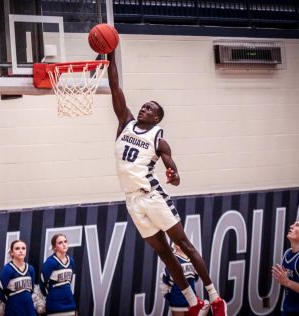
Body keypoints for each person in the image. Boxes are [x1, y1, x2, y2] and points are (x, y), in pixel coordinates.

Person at [107, 50, 227, 316]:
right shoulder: (125, 123)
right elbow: (115, 86)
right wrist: (110, 53)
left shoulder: (159, 140)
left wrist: (173, 177)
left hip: (152, 195)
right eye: (144, 105)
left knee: (183, 245)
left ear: (156, 118)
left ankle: (215, 299)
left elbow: (175, 174)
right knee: (163, 254)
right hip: (132, 200)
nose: (143, 108)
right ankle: (194, 303)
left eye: (150, 108)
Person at [161, 243, 210, 316]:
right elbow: (166, 279)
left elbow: (195, 277)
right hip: (177, 300)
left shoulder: (191, 259)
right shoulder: (173, 259)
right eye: (176, 242)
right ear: (174, 245)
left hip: (191, 299)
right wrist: (169, 296)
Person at [0, 240, 37, 316]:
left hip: (29, 308)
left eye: (23, 248)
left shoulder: (31, 269)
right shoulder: (7, 269)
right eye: (17, 248)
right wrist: (12, 302)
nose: (21, 251)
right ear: (12, 253)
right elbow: (1, 293)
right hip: (13, 308)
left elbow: (31, 290)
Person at [39, 233, 77, 316]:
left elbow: (69, 282)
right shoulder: (50, 262)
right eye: (60, 243)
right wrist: (50, 296)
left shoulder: (71, 260)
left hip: (70, 303)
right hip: (54, 304)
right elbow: (42, 284)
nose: (64, 244)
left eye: (65, 241)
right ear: (54, 247)